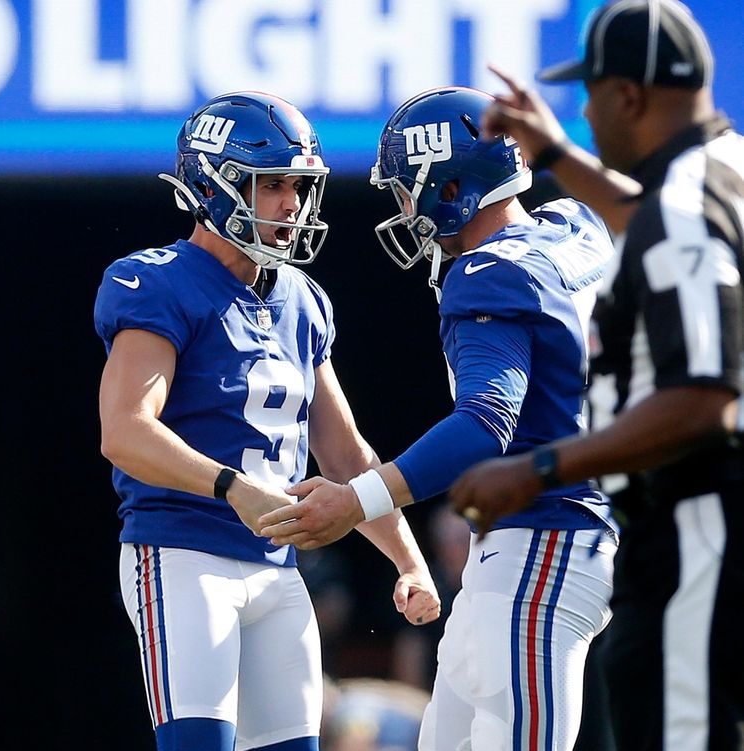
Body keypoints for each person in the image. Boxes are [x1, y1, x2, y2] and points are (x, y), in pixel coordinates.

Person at [259, 86, 618, 750]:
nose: (404, 208)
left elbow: (486, 421)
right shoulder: (575, 224)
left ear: (449, 184)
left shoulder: (485, 272)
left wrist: (357, 499)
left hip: (546, 540)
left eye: (407, 189)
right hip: (526, 546)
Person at [94, 91, 441, 751]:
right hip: (182, 553)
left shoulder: (303, 300)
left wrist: (408, 559)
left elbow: (344, 455)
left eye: (298, 185)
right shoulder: (158, 280)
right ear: (212, 182)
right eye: (270, 183)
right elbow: (125, 429)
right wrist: (234, 487)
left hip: (277, 568)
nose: (291, 203)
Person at [449, 2, 744, 749]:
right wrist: (555, 154)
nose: (582, 109)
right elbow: (653, 214)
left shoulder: (683, 203)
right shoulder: (724, 168)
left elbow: (704, 400)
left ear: (628, 97)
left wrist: (539, 465)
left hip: (697, 529)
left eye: (590, 92)